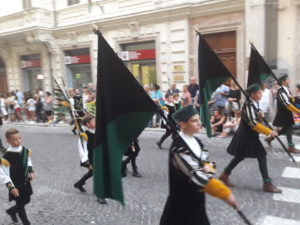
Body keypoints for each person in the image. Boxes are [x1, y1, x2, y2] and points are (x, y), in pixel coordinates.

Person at [160, 105, 237, 225]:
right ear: (183, 124)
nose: (199, 123)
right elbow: (199, 178)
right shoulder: (179, 149)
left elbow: (209, 164)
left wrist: (207, 169)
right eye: (194, 121)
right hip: (181, 207)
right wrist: (225, 194)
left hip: (197, 202)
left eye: (198, 119)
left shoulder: (197, 142)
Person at [219, 83, 282, 193]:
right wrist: (269, 132)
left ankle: (224, 174)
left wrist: (260, 116)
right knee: (261, 155)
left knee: (240, 156)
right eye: (259, 92)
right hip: (246, 137)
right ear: (252, 95)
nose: (261, 94)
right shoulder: (248, 105)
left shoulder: (255, 103)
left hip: (250, 136)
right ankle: (267, 183)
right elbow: (253, 124)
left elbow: (256, 121)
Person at [0, 128, 35, 225]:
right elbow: (3, 175)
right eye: (15, 139)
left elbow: (28, 160)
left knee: (27, 199)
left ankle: (11, 211)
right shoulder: (6, 156)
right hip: (15, 184)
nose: (18, 141)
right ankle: (26, 223)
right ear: (8, 141)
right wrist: (11, 188)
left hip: (25, 181)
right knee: (20, 205)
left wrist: (31, 171)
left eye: (19, 138)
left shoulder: (24, 150)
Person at [73, 115, 107, 204]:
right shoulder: (84, 135)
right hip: (90, 158)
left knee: (93, 173)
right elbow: (82, 150)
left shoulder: (98, 132)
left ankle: (79, 183)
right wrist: (87, 163)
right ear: (88, 124)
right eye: (94, 121)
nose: (96, 123)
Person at [266, 74, 300, 153]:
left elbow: (291, 100)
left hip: (287, 112)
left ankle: (270, 138)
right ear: (283, 81)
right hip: (284, 112)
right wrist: (297, 111)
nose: (289, 81)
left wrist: (296, 99)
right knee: (288, 127)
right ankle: (290, 146)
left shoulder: (287, 89)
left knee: (285, 129)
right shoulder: (281, 91)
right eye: (287, 79)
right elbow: (286, 103)